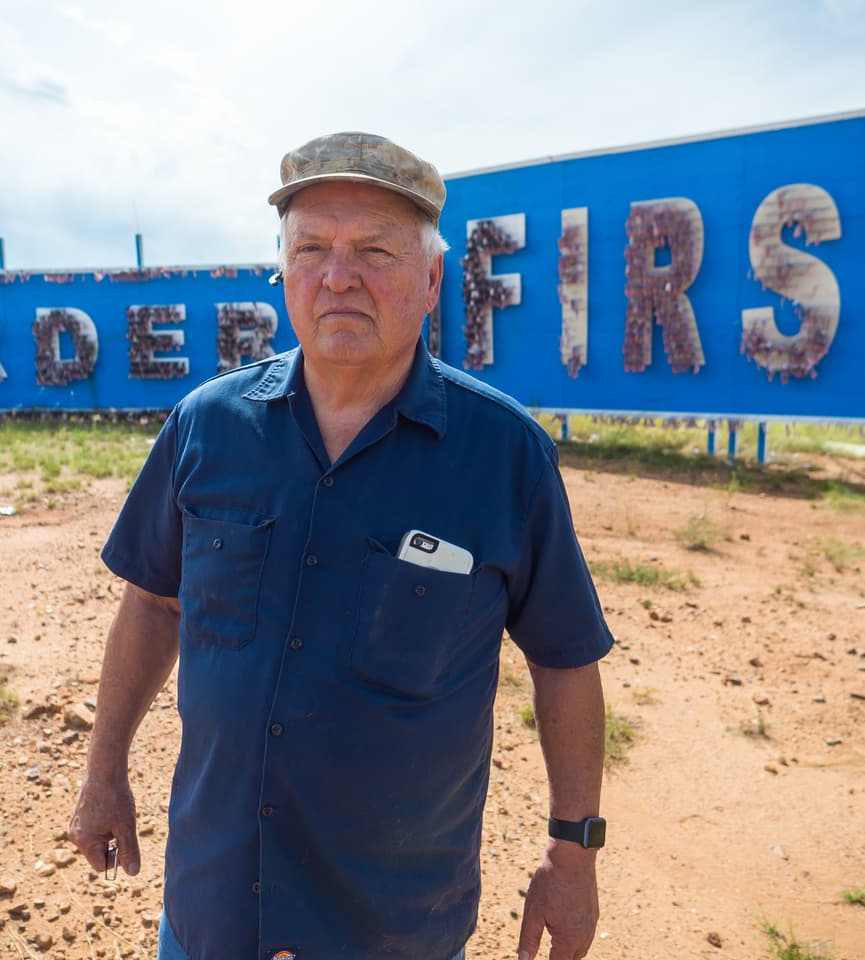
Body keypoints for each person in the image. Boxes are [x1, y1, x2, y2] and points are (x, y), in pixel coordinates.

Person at [69, 131, 614, 960]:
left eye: (374, 250)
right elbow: (152, 601)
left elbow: (566, 660)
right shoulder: (206, 428)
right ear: (282, 272)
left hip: (393, 928)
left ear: (432, 279)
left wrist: (572, 852)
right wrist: (103, 771)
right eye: (312, 248)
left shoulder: (505, 456)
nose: (339, 275)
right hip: (214, 916)